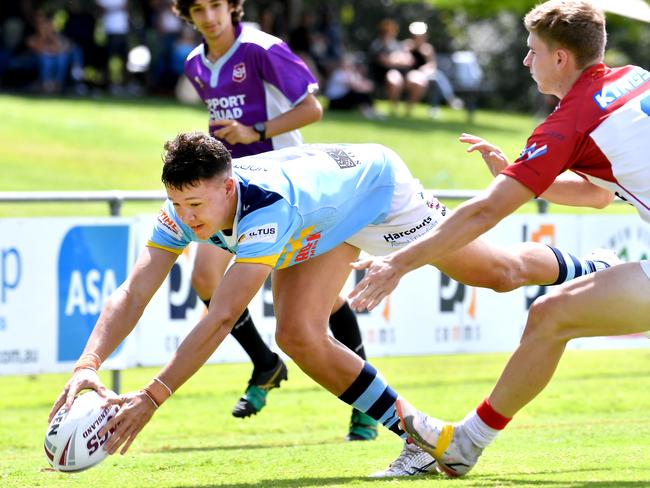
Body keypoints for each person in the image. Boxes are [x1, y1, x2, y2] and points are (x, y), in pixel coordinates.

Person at [50, 133, 620, 477]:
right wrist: (87, 366)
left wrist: (153, 398)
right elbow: (136, 288)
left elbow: (222, 315)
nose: (189, 219)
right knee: (298, 335)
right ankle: (423, 439)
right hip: (322, 216)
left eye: (197, 204)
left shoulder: (264, 210)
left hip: (378, 192)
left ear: (227, 187)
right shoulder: (185, 207)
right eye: (179, 204)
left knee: (498, 274)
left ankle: (592, 268)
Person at [348, 0, 649, 477]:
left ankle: (465, 444)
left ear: (560, 59)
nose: (526, 61)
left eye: (532, 51)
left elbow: (485, 211)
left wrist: (399, 263)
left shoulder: (570, 121)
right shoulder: (634, 77)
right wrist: (521, 174)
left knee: (551, 316)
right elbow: (597, 196)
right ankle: (465, 443)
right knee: (551, 315)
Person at [172, 0, 378, 441]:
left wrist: (255, 132)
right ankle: (265, 364)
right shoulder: (195, 64)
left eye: (215, 6)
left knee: (323, 304)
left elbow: (312, 109)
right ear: (186, 14)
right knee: (205, 280)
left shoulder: (262, 49)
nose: (208, 16)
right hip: (229, 195)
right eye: (198, 9)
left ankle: (365, 405)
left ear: (232, 7)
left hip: (285, 194)